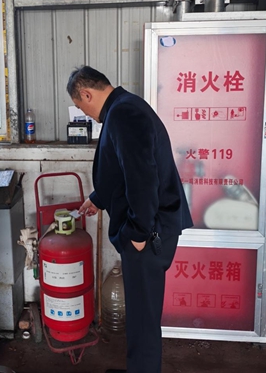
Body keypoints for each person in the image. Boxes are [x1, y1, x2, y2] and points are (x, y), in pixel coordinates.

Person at [67, 66, 193, 373]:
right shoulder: (123, 108)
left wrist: (137, 232)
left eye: (81, 106)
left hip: (148, 232)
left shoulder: (123, 114)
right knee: (139, 312)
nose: (85, 113)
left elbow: (142, 178)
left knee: (143, 318)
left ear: (86, 94)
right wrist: (98, 199)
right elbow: (121, 170)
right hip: (149, 227)